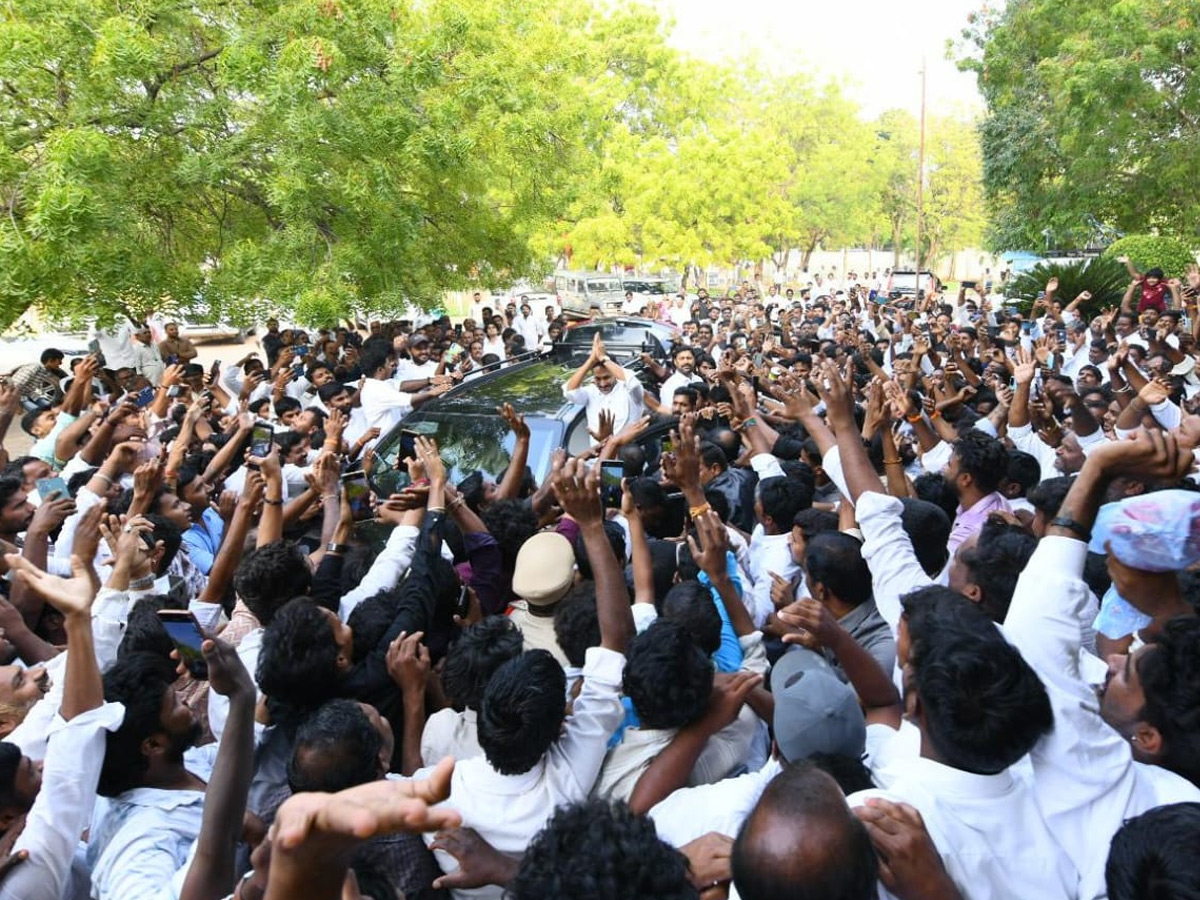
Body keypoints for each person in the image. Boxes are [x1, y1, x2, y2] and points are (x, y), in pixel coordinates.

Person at [562, 333, 645, 441]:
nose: (602, 384)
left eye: (606, 378)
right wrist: (591, 360)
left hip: (628, 454)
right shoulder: (591, 392)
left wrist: (603, 358)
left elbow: (632, 383)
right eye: (598, 379)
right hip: (598, 456)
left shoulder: (631, 393)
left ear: (615, 374)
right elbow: (570, 392)